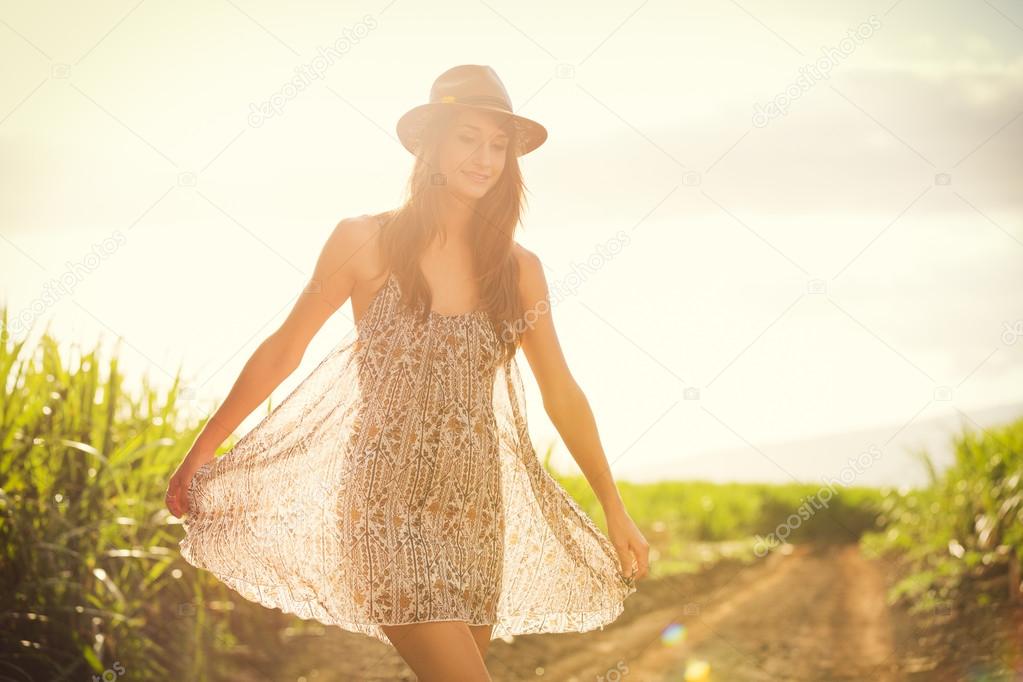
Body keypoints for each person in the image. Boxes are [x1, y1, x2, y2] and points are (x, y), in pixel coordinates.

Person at [165, 64, 649, 682]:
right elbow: (285, 349)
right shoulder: (364, 239)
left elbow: (562, 391)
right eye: (468, 138)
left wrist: (613, 505)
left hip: (476, 504)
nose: (486, 158)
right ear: (431, 144)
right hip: (387, 502)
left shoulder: (519, 268)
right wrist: (203, 448)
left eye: (499, 145)